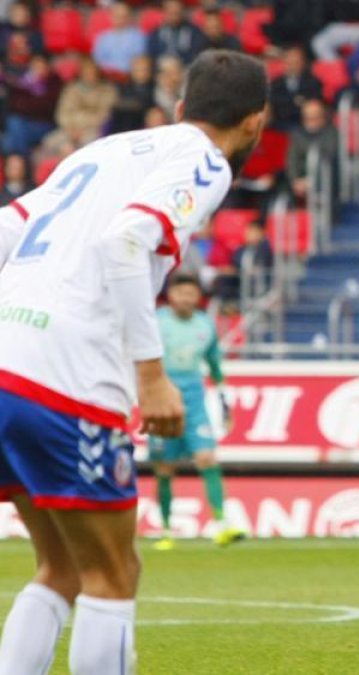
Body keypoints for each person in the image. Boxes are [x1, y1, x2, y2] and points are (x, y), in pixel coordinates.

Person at [0, 49, 265, 675]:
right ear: (256, 122)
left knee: (61, 567)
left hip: (10, 360)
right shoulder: (205, 158)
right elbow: (125, 242)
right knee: (113, 572)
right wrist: (152, 376)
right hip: (66, 378)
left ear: (179, 107)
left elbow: (7, 227)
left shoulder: (101, 152)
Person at [147, 273, 245, 551]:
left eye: (191, 293)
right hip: (163, 399)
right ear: (171, 296)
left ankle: (222, 524)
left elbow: (214, 366)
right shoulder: (156, 322)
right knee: (165, 467)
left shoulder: (205, 324)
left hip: (195, 398)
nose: (186, 298)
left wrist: (225, 404)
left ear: (198, 297)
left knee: (206, 457)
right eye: (181, 293)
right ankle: (166, 530)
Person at [269, 44, 325, 131]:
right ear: (284, 62)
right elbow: (274, 102)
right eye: (289, 61)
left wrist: (289, 102)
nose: (292, 64)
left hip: (305, 124)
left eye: (296, 61)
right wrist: (296, 101)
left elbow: (315, 101)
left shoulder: (313, 82)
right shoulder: (275, 83)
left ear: (303, 62)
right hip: (279, 122)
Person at [91, 2, 146, 76]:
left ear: (130, 17)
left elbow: (138, 61)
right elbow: (97, 60)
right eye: (117, 16)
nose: (121, 20)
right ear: (110, 17)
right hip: (106, 77)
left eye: (124, 17)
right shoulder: (103, 38)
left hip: (129, 77)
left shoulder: (138, 37)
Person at [147, 0, 204, 65]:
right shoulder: (156, 33)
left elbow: (196, 54)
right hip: (163, 69)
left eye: (176, 13)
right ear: (165, 13)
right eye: (171, 13)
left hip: (185, 68)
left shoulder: (194, 32)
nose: (174, 17)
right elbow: (152, 55)